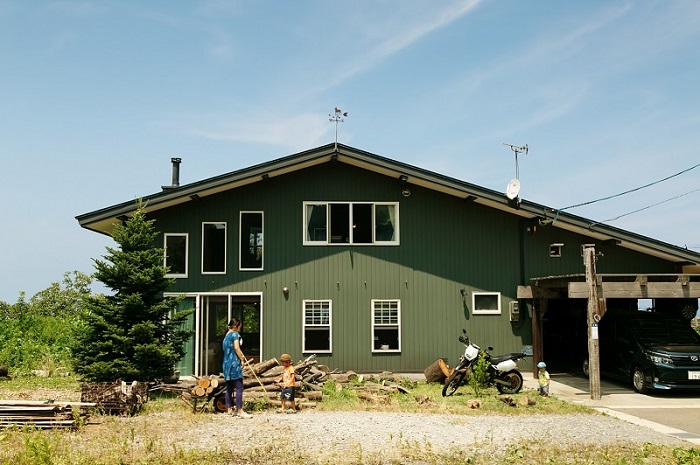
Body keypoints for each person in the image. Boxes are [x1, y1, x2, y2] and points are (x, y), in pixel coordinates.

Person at [222, 318, 252, 418]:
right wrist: (242, 359)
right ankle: (240, 410)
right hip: (234, 363)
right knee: (239, 387)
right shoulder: (235, 334)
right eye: (240, 326)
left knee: (229, 388)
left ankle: (229, 409)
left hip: (226, 364)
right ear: (236, 326)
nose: (240, 328)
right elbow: (236, 348)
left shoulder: (226, 336)